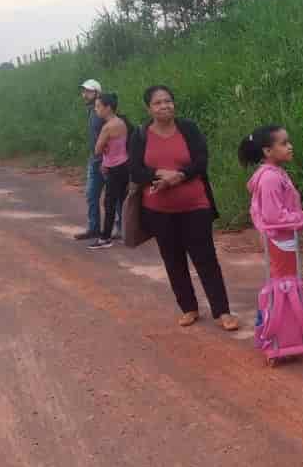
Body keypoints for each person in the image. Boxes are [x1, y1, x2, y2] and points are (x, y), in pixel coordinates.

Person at [128, 85, 239, 331]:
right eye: (158, 103)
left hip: (195, 206)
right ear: (149, 108)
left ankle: (222, 311)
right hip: (158, 210)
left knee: (206, 258)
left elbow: (201, 161)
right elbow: (135, 170)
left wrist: (178, 176)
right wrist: (159, 174)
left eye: (168, 101)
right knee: (173, 259)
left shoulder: (188, 128)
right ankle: (188, 308)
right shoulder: (140, 135)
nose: (165, 106)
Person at [241, 125, 303, 363]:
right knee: (285, 288)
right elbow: (274, 216)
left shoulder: (274, 173)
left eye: (288, 142)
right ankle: (284, 337)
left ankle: (290, 336)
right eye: (283, 143)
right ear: (267, 150)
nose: (290, 146)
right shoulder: (270, 178)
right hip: (280, 241)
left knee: (286, 286)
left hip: (284, 240)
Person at [74, 79, 120, 241]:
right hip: (95, 159)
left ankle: (120, 229)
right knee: (91, 194)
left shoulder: (104, 112)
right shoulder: (92, 111)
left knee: (114, 195)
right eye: (84, 91)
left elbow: (115, 133)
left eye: (88, 91)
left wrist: (108, 158)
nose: (84, 94)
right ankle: (94, 228)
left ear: (97, 93)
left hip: (107, 160)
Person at [89, 92, 131, 250]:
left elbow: (98, 149)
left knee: (109, 203)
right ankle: (127, 233)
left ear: (108, 108)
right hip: (124, 164)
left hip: (114, 168)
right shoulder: (121, 122)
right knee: (123, 201)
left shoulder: (107, 127)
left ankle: (105, 238)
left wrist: (103, 147)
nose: (96, 110)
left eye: (98, 107)